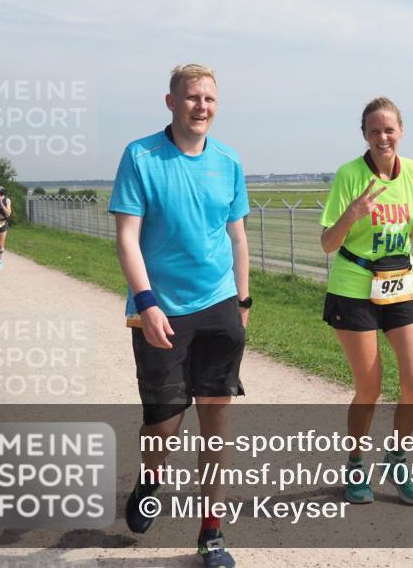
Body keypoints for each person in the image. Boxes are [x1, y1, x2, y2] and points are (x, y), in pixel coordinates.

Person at [109, 63, 250, 568]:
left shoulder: (229, 161)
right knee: (164, 421)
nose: (202, 106)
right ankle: (151, 478)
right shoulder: (141, 156)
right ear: (171, 102)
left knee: (216, 417)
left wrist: (244, 301)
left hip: (219, 304)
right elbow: (127, 236)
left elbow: (236, 237)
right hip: (160, 309)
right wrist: (145, 302)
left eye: (209, 98)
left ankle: (211, 532)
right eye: (192, 98)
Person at [319, 97, 413, 506]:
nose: (382, 137)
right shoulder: (349, 175)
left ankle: (397, 456)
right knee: (370, 386)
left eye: (389, 129)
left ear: (401, 131)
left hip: (400, 282)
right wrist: (351, 214)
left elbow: (411, 230)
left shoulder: (412, 172)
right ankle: (356, 462)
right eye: (374, 131)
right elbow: (327, 243)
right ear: (364, 135)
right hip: (354, 285)